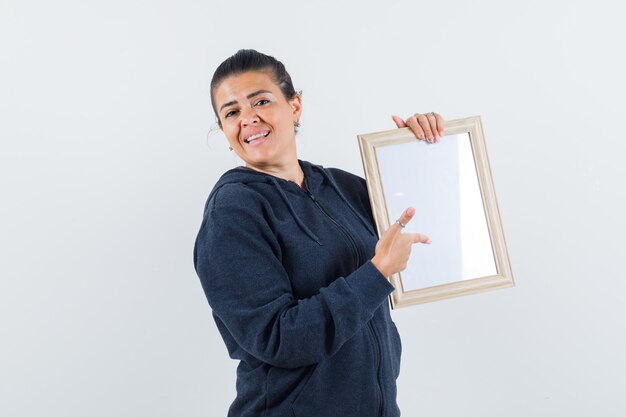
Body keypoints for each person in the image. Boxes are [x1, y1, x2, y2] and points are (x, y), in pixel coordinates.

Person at [193, 49, 444, 417]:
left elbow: (427, 227)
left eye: (260, 100)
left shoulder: (341, 187)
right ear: (224, 129)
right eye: (231, 112)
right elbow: (277, 338)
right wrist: (375, 275)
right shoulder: (233, 211)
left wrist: (419, 148)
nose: (248, 119)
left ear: (294, 106)